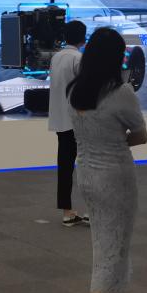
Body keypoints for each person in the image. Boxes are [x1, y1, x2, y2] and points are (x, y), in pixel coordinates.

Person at [67, 27, 147, 293]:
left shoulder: (75, 91)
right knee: (109, 255)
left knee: (112, 247)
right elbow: (141, 136)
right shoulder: (121, 92)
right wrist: (116, 141)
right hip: (116, 179)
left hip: (86, 176)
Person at [49, 19, 89, 227]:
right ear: (83, 38)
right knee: (87, 166)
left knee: (64, 167)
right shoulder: (78, 58)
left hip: (60, 119)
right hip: (77, 120)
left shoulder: (56, 57)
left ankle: (67, 211)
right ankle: (91, 209)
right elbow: (85, 88)